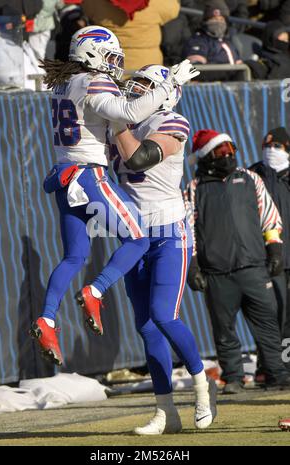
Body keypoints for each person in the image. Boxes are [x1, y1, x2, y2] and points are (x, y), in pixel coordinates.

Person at [29, 25, 197, 366]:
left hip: (63, 176)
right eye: (109, 55)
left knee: (74, 257)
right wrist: (168, 84)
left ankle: (46, 319)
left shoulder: (63, 83)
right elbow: (131, 113)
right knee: (137, 240)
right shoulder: (93, 81)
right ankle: (95, 291)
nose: (115, 64)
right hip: (90, 175)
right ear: (91, 51)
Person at [83, 64, 217, 435]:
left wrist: (116, 123)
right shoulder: (121, 122)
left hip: (170, 231)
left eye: (143, 86)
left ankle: (204, 388)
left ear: (164, 94)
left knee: (163, 314)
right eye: (134, 85)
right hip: (134, 233)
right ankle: (165, 411)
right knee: (146, 326)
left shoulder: (175, 122)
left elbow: (139, 159)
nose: (133, 91)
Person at [185, 129, 290, 393]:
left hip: (254, 268)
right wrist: (193, 266)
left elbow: (269, 217)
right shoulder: (195, 188)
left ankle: (276, 374)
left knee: (268, 324)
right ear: (207, 156)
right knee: (224, 330)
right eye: (221, 151)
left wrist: (274, 249)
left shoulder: (250, 178)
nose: (229, 155)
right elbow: (187, 230)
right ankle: (233, 378)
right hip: (217, 274)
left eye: (231, 149)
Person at [249, 127, 290, 376]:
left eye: (277, 147)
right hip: (266, 257)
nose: (270, 151)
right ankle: (272, 366)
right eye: (267, 146)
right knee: (269, 316)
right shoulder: (254, 174)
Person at [82, 0, 180, 70]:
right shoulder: (158, 3)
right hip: (147, 64)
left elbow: (87, 8)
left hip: (110, 61)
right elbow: (173, 10)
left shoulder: (96, 3)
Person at [183, 0, 242, 81]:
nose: (218, 23)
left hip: (233, 89)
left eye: (221, 19)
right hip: (211, 89)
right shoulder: (199, 40)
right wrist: (228, 72)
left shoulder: (228, 43)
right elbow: (196, 70)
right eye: (214, 19)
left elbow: (240, 66)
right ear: (206, 20)